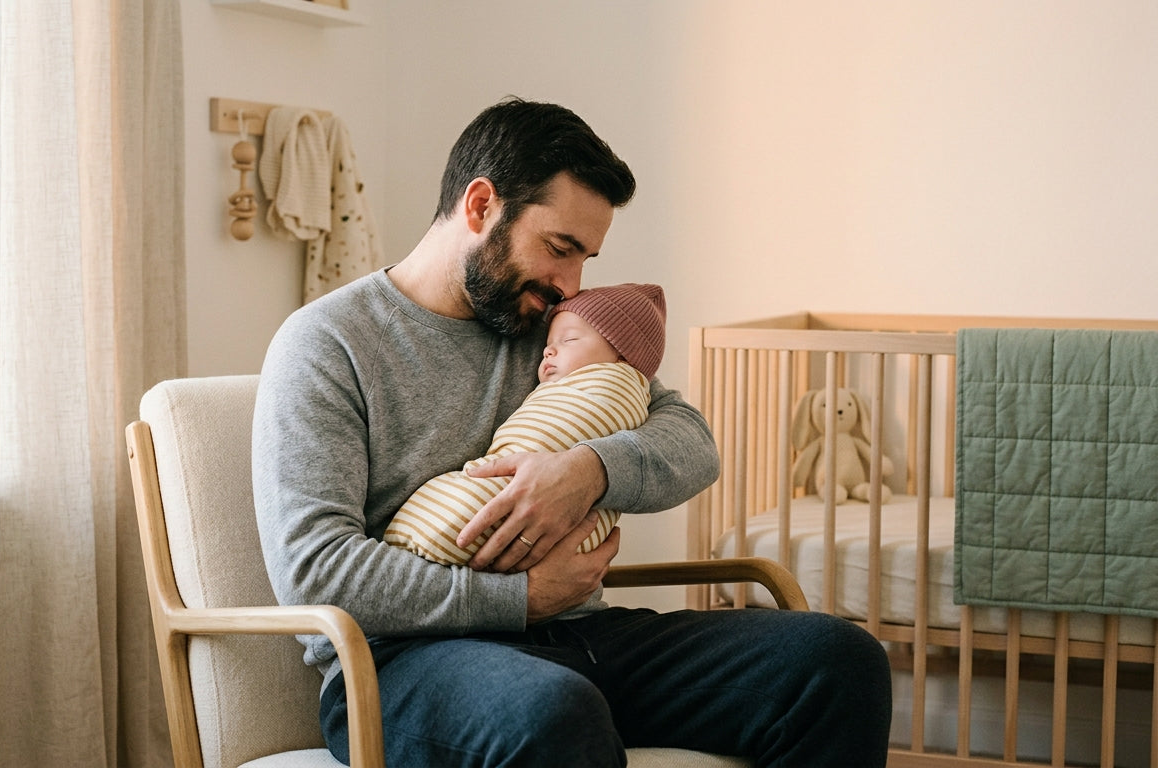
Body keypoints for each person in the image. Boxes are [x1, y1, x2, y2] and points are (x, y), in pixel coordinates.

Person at [253, 97, 892, 767]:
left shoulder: (550, 332)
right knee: (553, 712)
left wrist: (589, 470)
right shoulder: (327, 344)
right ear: (480, 207)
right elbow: (314, 570)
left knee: (837, 661)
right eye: (560, 249)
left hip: (585, 637)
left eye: (586, 257)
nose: (570, 283)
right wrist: (517, 599)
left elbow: (692, 441)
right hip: (404, 664)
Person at [384, 282, 667, 566]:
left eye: (568, 341)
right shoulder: (351, 332)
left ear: (622, 356)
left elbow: (698, 446)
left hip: (574, 580)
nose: (548, 352)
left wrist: (590, 470)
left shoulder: (619, 384)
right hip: (424, 587)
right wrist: (521, 595)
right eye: (548, 344)